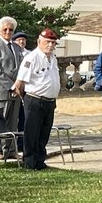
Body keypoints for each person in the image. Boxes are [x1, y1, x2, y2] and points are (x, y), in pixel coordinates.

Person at [13, 28, 62, 170]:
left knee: (44, 133)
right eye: (48, 42)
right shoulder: (31, 58)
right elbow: (20, 82)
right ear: (39, 42)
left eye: (53, 43)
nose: (50, 45)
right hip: (35, 99)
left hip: (50, 101)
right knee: (32, 132)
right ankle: (30, 162)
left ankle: (40, 160)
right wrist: (25, 100)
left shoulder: (53, 58)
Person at [0, 16, 24, 137]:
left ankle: (11, 149)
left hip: (16, 92)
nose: (8, 32)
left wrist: (19, 84)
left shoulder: (17, 47)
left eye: (11, 30)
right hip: (2, 92)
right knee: (1, 125)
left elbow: (21, 68)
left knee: (13, 124)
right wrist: (11, 86)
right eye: (5, 29)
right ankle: (0, 150)